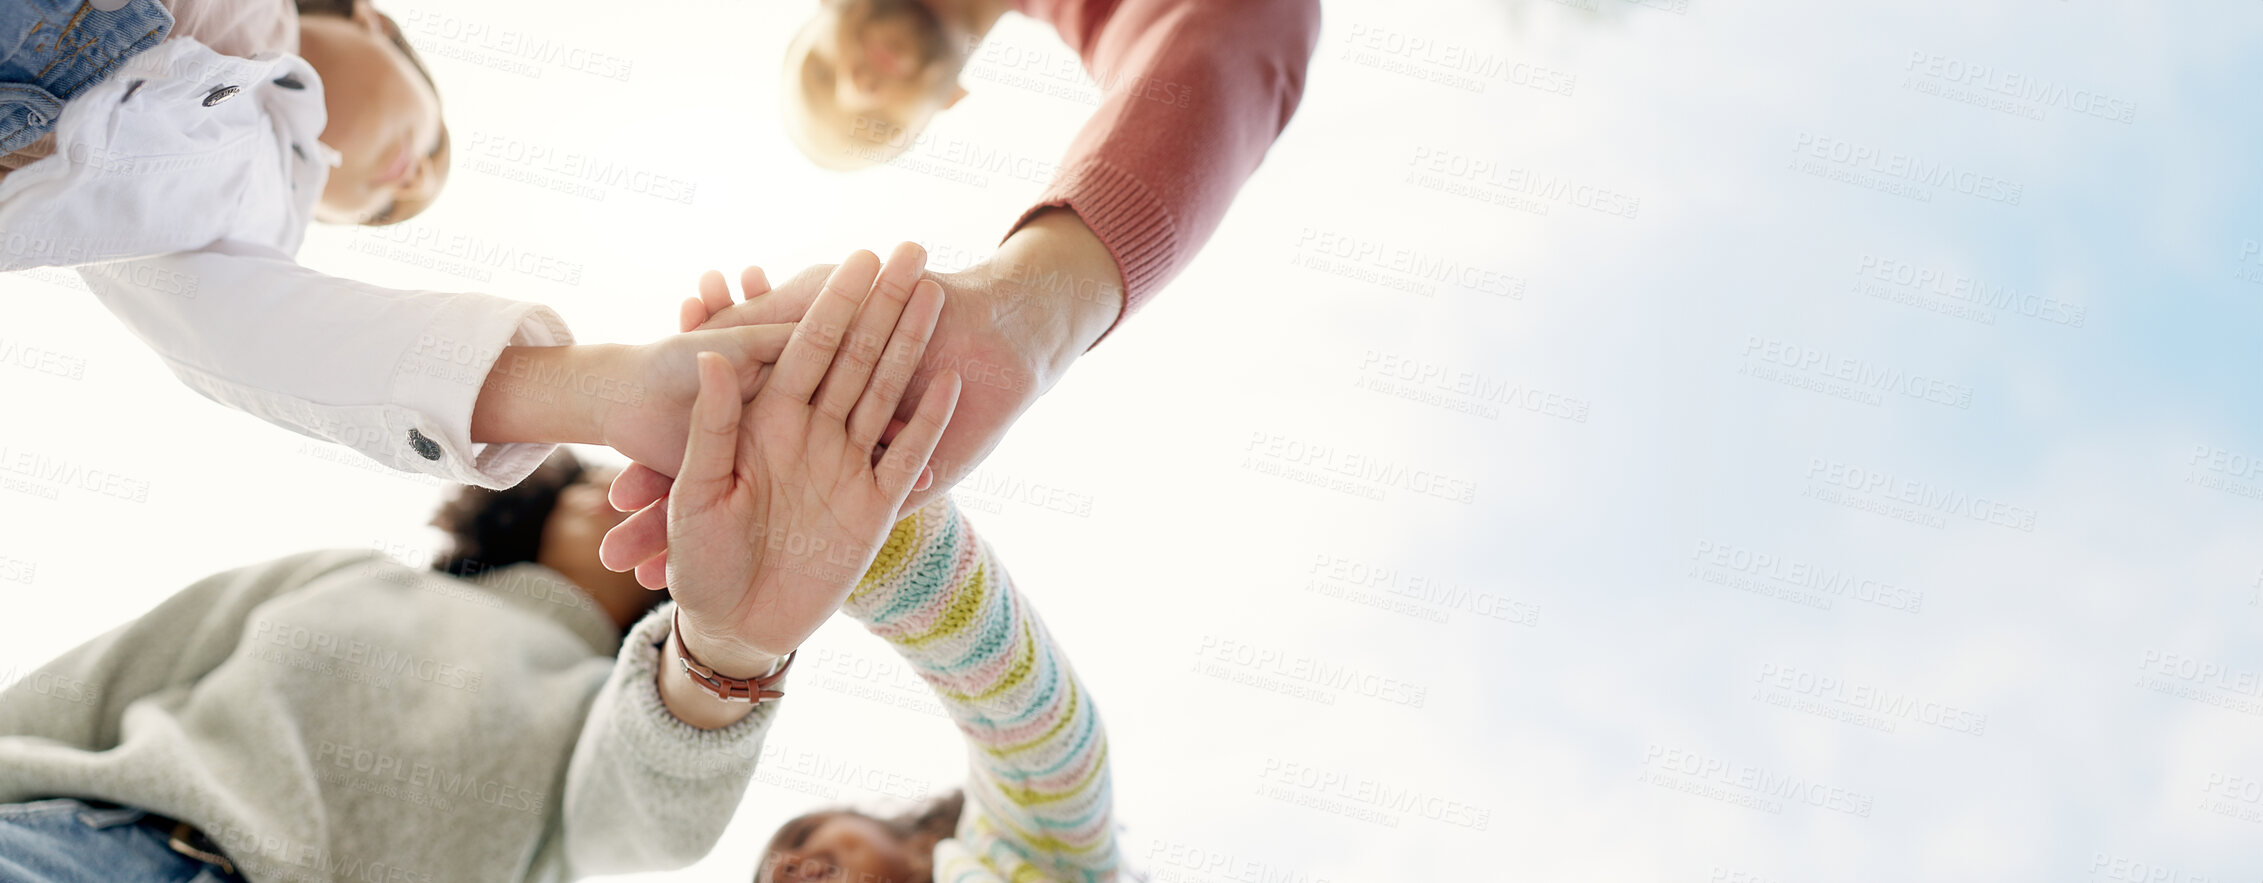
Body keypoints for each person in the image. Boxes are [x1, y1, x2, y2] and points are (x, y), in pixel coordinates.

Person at [0, 250, 961, 882]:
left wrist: (732, 642)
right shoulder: (345, 575)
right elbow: (72, 697)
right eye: (605, 470)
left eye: (656, 487)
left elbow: (653, 816)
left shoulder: (611, 712)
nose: (618, 483)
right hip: (63, 841)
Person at [596, 0, 1323, 576]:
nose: (859, 84)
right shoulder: (1119, 15)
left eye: (820, 73)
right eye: (875, 119)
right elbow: (1242, 22)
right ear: (948, 101)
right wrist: (1025, 317)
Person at [0, 0, 801, 490]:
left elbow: (264, 334)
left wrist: (602, 389)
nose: (408, 175)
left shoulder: (243, 211)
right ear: (374, 22)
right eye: (427, 140)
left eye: (384, 203)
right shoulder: (262, 20)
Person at [756, 495, 1119, 883]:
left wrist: (869, 550)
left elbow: (1042, 741)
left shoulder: (1002, 848)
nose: (783, 867)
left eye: (802, 836)